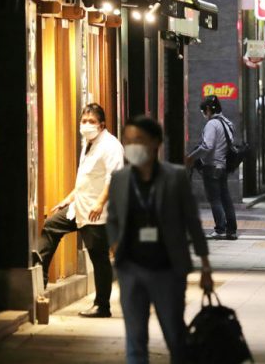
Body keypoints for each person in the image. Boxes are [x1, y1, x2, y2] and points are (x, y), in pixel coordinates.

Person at [107, 115, 213, 364]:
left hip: (168, 270)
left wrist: (205, 266)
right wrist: (114, 244)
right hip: (130, 269)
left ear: (156, 143)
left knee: (175, 336)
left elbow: (193, 224)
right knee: (134, 341)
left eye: (139, 140)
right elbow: (112, 218)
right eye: (129, 140)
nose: (133, 146)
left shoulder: (174, 177)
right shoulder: (120, 179)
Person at [35, 103, 124, 318]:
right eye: (83, 121)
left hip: (96, 212)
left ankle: (102, 306)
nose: (86, 125)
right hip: (79, 207)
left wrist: (100, 203)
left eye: (91, 122)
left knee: (99, 257)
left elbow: (114, 178)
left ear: (102, 124)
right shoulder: (89, 144)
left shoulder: (111, 146)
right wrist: (67, 199)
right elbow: (85, 179)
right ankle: (41, 281)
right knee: (50, 226)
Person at [186, 95, 238, 240]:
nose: (204, 114)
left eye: (204, 111)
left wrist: (192, 157)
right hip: (223, 166)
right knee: (226, 198)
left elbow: (207, 146)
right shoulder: (228, 123)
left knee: (215, 199)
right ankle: (231, 229)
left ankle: (220, 229)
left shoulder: (212, 124)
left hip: (211, 166)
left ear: (208, 109)